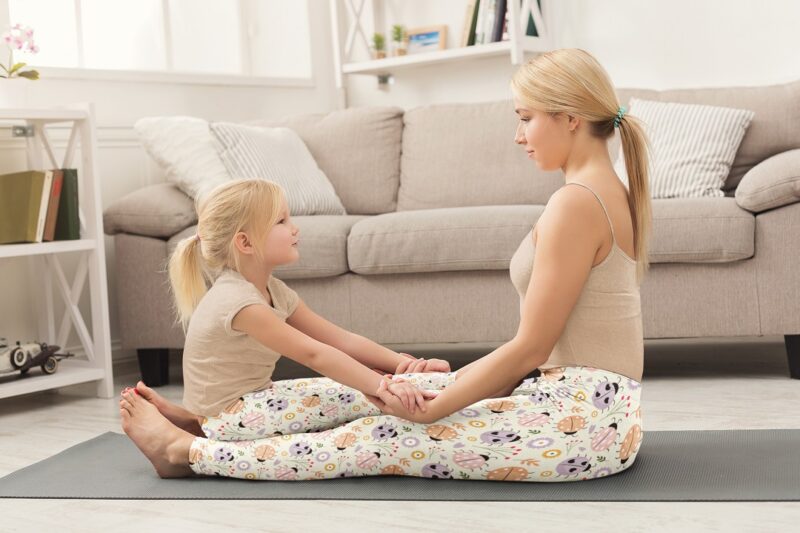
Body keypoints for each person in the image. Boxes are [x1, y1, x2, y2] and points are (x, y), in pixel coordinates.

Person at [121, 47, 650, 482]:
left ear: (571, 118)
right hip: (595, 411)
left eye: (525, 119)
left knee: (383, 435)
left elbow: (531, 348)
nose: (518, 136)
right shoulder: (601, 191)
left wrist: (433, 408)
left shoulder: (576, 203)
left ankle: (187, 453)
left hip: (582, 423)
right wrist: (427, 387)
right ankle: (207, 425)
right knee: (407, 397)